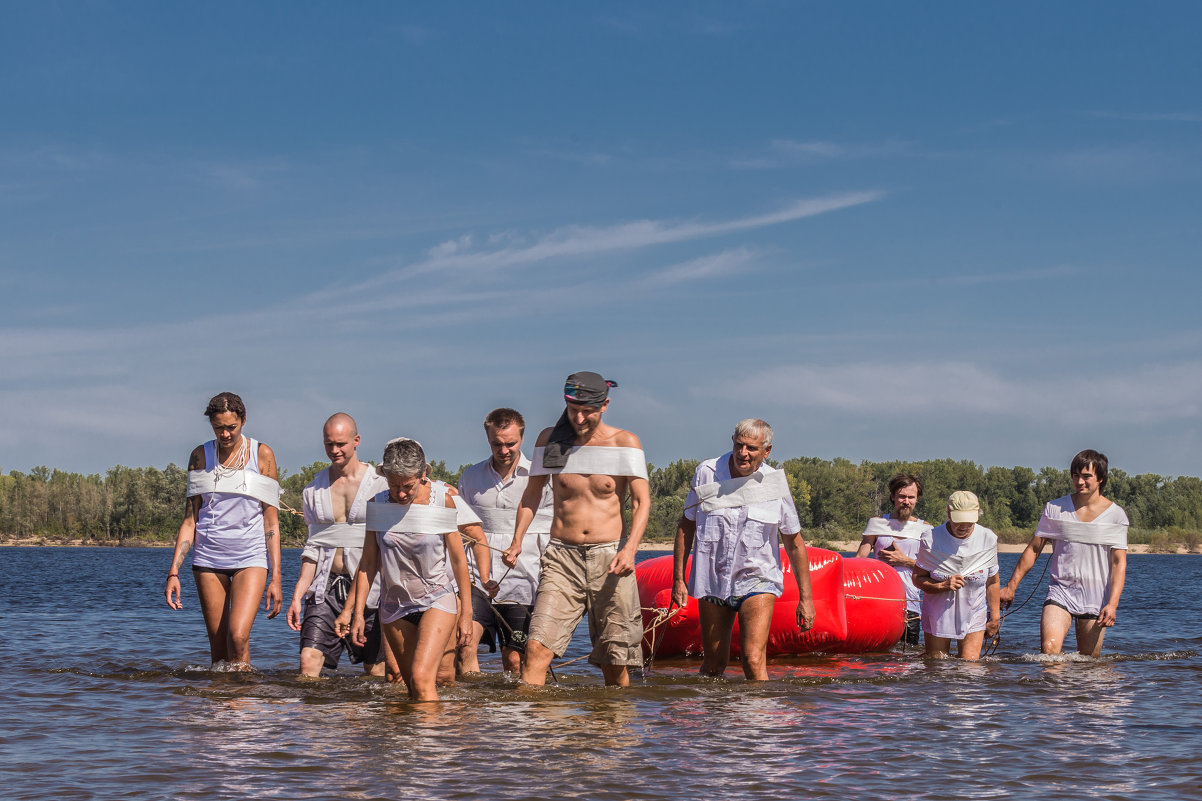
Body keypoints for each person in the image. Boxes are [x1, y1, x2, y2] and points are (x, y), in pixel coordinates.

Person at [501, 371, 650, 687]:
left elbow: (641, 502)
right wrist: (516, 541)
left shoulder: (625, 442)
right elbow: (531, 495)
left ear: (605, 405)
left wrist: (630, 549)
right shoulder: (550, 441)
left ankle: (614, 732)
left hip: (611, 560)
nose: (580, 418)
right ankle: (538, 732)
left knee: (615, 660)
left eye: (588, 411)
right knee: (535, 648)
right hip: (561, 559)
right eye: (573, 410)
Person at [671, 419, 815, 680]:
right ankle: (716, 717)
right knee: (713, 665)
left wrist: (806, 600)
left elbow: (794, 543)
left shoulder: (773, 483)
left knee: (753, 659)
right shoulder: (707, 472)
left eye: (751, 448)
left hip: (757, 578)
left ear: (767, 451)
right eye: (739, 445)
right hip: (713, 580)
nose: (743, 453)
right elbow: (686, 526)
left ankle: (756, 720)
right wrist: (678, 580)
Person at [350, 437, 483, 701]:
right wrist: (356, 613)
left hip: (437, 598)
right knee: (410, 686)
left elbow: (459, 561)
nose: (400, 494)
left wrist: (466, 613)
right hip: (394, 605)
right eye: (393, 485)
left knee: (423, 679)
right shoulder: (376, 505)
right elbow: (368, 564)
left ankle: (428, 742)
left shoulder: (442, 501)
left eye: (407, 486)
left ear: (423, 475)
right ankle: (418, 739)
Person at [164, 392, 282, 669]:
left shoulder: (262, 454)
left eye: (232, 427)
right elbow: (189, 521)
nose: (226, 434)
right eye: (219, 428)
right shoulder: (199, 456)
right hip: (208, 560)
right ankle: (221, 708)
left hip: (250, 558)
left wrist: (276, 577)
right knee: (218, 651)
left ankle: (241, 708)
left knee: (238, 637)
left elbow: (271, 521)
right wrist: (173, 573)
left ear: (243, 421)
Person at [285, 413, 390, 677]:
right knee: (308, 660)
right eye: (329, 444)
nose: (334, 450)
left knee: (376, 671)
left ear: (356, 441)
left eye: (341, 444)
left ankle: (373, 718)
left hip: (372, 587)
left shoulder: (381, 484)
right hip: (325, 586)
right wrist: (298, 595)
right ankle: (314, 717)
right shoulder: (313, 490)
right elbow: (313, 548)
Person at [1000, 449, 1129, 657]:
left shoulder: (1116, 516)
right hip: (1060, 591)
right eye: (1076, 476)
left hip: (1095, 598)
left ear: (1101, 479)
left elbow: (1118, 563)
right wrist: (1011, 587)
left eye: (1086, 476)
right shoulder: (1055, 509)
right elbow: (1034, 549)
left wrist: (1112, 604)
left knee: (1089, 664)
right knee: (1049, 653)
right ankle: (1054, 689)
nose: (1080, 481)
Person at [456, 408, 555, 675]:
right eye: (496, 444)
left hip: (525, 576)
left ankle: (513, 715)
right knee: (463, 647)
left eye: (510, 443)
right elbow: (462, 531)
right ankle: (472, 711)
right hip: (477, 575)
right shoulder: (471, 476)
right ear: (488, 439)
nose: (504, 450)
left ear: (522, 438)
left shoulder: (542, 478)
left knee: (514, 659)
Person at [912, 491, 1000, 661]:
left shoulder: (987, 538)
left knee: (970, 667)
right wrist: (942, 585)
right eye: (958, 520)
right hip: (938, 612)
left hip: (974, 610)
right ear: (948, 513)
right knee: (937, 664)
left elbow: (992, 582)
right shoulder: (931, 539)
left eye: (969, 521)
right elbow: (917, 578)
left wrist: (995, 616)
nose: (963, 526)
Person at [856, 474, 930, 646]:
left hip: (910, 605)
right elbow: (860, 559)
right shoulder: (877, 523)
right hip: (879, 602)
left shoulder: (924, 528)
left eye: (911, 497)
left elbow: (931, 570)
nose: (906, 501)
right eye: (902, 496)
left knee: (906, 658)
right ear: (892, 497)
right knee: (875, 655)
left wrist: (905, 561)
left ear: (917, 499)